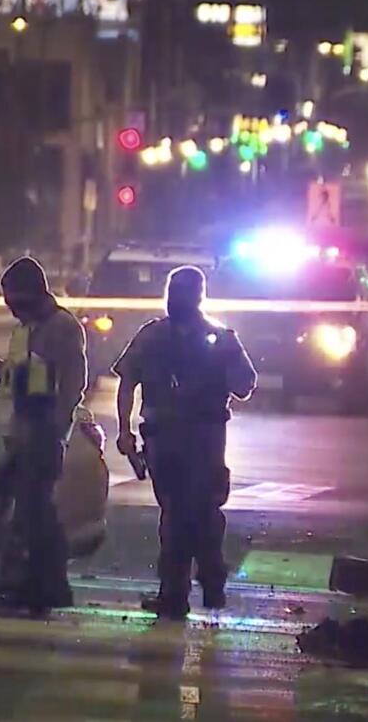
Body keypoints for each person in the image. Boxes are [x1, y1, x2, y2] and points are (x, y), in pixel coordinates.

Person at [112, 266, 256, 620]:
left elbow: (243, 384)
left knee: (193, 515)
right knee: (184, 516)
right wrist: (125, 431)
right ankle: (191, 589)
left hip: (198, 440)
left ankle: (196, 587)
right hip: (173, 440)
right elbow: (127, 381)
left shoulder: (213, 338)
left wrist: (126, 430)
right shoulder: (160, 336)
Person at [0, 256, 87, 612]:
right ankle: (37, 581)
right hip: (23, 426)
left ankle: (48, 586)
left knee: (38, 511)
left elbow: (71, 383)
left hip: (45, 429)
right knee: (29, 510)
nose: (10, 309)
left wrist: (56, 427)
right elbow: (19, 377)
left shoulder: (62, 328)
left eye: (14, 300)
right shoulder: (25, 329)